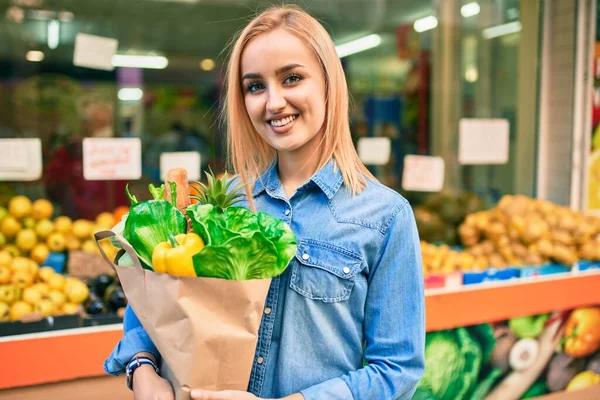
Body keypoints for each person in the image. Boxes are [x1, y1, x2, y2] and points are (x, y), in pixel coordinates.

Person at [104, 5, 425, 400]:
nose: (273, 102)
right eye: (255, 86)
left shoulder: (384, 216)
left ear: (328, 83)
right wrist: (142, 369)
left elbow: (398, 370)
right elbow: (153, 299)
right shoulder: (223, 203)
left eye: (292, 78)